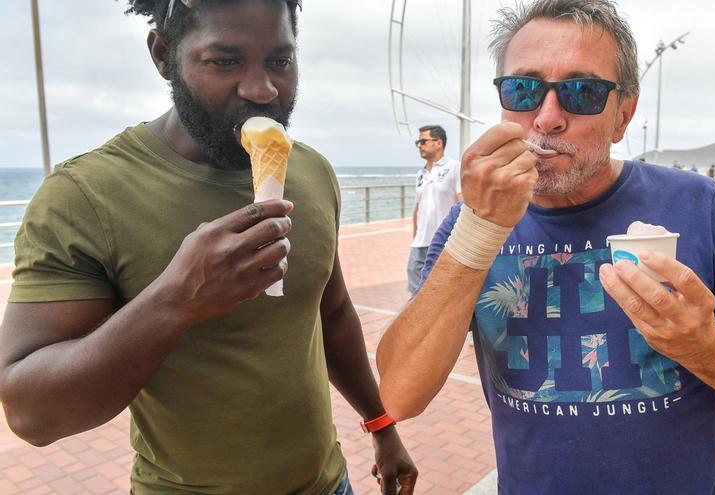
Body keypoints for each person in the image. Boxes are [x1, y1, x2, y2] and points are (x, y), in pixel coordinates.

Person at [375, 1, 715, 493]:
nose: (546, 118)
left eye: (582, 92)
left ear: (623, 116)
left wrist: (704, 347)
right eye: (523, 89)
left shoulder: (698, 205)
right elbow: (399, 393)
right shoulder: (472, 224)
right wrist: (480, 230)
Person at [0, 1, 417, 494]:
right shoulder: (85, 196)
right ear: (163, 55)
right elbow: (31, 414)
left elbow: (334, 311)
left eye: (279, 61)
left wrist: (381, 425)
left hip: (329, 483)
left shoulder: (312, 171)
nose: (261, 89)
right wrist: (176, 299)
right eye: (225, 61)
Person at [408, 125, 462, 295]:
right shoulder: (420, 174)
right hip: (419, 243)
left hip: (443, 242)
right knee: (415, 290)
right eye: (418, 142)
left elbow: (463, 204)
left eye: (423, 141)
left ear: (438, 143)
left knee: (441, 292)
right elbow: (418, 209)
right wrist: (415, 237)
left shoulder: (455, 167)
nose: (419, 145)